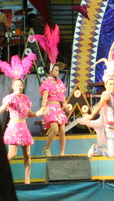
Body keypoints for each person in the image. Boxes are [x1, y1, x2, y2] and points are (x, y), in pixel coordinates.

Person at [81, 57, 114, 181]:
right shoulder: (106, 95)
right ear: (106, 85)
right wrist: (91, 115)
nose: (112, 86)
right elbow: (100, 105)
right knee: (112, 154)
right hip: (110, 130)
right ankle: (96, 149)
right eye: (110, 84)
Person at [0, 53, 40, 184]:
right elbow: (2, 109)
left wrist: (40, 113)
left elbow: (30, 114)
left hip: (23, 127)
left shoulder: (25, 98)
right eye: (16, 86)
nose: (19, 88)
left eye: (20, 86)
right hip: (14, 127)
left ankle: (27, 181)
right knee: (12, 154)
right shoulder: (10, 98)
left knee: (28, 154)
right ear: (13, 87)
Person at [30, 23, 71, 157]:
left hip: (58, 108)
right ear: (51, 70)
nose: (58, 72)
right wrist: (43, 107)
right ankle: (46, 148)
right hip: (50, 108)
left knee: (62, 130)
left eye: (58, 70)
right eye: (56, 70)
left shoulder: (59, 83)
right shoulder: (47, 82)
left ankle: (62, 152)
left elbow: (62, 97)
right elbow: (45, 95)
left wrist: (66, 105)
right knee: (54, 129)